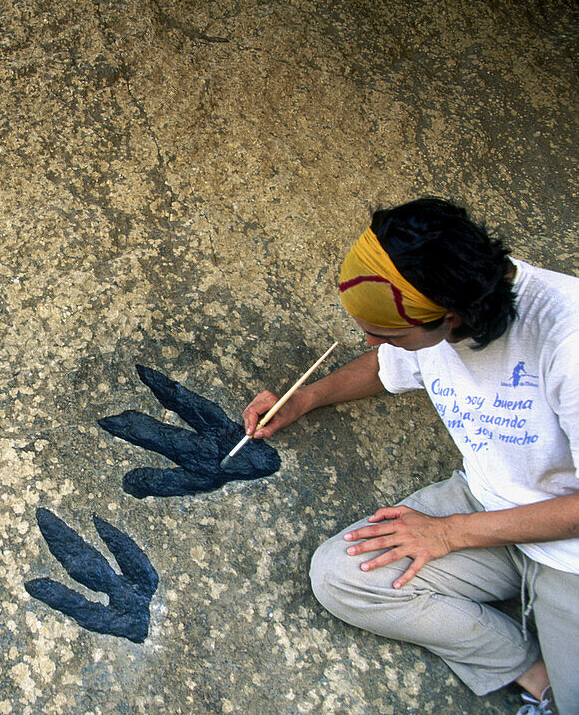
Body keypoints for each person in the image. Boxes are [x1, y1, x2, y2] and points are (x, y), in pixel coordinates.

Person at [242, 198, 579, 714]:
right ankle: (535, 676)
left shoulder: (567, 338)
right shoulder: (428, 308)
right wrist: (307, 398)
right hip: (488, 502)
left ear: (452, 317)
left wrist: (447, 533)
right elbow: (386, 366)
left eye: (388, 333)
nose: (373, 341)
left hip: (569, 551)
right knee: (341, 577)